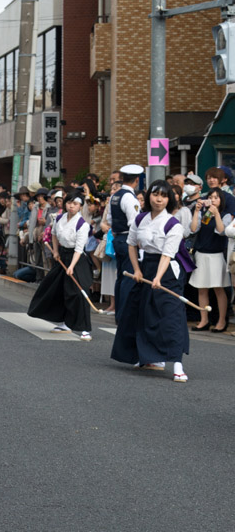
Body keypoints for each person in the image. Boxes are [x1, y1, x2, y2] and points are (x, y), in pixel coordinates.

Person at [110, 180, 190, 382]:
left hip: (169, 272)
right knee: (141, 311)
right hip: (145, 268)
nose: (159, 199)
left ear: (169, 199)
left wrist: (158, 278)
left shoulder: (174, 224)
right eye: (156, 194)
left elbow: (167, 254)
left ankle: (177, 363)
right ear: (149, 196)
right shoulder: (140, 219)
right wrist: (137, 269)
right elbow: (131, 245)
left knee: (170, 315)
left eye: (164, 196)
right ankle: (148, 357)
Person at [27, 190, 94, 341]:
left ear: (80, 206)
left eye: (75, 204)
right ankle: (65, 323)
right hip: (62, 256)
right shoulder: (59, 218)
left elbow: (79, 249)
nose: (71, 206)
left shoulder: (82, 225)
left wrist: (71, 266)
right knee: (57, 288)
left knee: (78, 292)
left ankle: (85, 329)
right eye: (69, 203)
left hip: (77, 260)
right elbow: (54, 234)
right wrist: (55, 251)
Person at [188, 174, 234, 332]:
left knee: (219, 289)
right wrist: (196, 211)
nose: (213, 200)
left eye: (216, 197)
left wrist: (216, 213)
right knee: (202, 288)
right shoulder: (203, 213)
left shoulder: (225, 215)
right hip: (201, 254)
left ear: (221, 200)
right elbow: (193, 229)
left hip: (216, 255)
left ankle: (221, 321)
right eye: (211, 197)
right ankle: (204, 320)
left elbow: (222, 231)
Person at [109, 164, 143, 319]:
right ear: (137, 180)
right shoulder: (130, 197)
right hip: (128, 239)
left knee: (121, 277)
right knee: (129, 277)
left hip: (118, 238)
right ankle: (124, 314)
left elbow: (110, 219)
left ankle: (119, 313)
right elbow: (134, 223)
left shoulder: (115, 195)